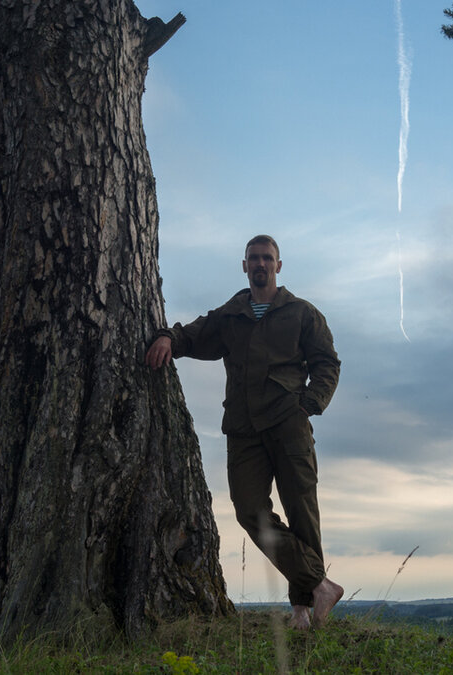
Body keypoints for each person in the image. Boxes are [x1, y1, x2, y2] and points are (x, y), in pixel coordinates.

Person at [145, 234, 344, 629]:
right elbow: (196, 334)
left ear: (278, 265)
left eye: (267, 258)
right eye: (254, 258)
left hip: (289, 426)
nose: (260, 264)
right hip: (243, 429)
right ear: (244, 265)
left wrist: (308, 404)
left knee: (303, 515)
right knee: (249, 510)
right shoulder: (232, 314)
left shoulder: (302, 313)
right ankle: (320, 584)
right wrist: (167, 336)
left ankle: (302, 610)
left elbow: (327, 363)